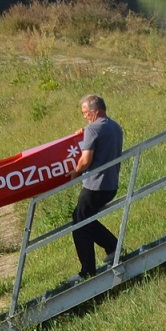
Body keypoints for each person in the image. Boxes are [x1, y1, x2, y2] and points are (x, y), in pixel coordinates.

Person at [70, 93, 124, 280]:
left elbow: (85, 160)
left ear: (96, 110)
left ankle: (87, 270)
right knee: (84, 219)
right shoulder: (115, 126)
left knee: (80, 224)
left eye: (85, 112)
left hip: (95, 184)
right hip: (111, 184)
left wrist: (75, 173)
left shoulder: (93, 128)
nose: (84, 116)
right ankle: (112, 246)